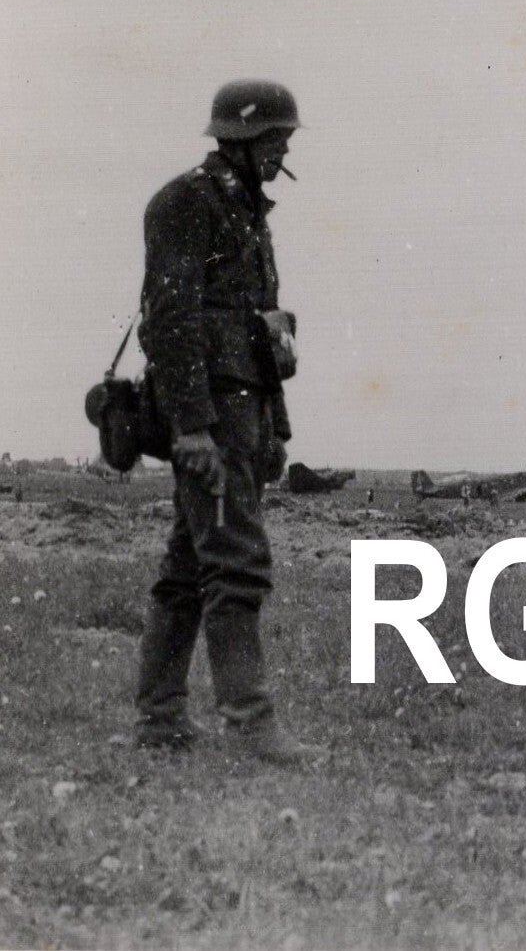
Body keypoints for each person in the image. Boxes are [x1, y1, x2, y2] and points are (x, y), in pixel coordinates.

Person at [133, 80, 316, 764]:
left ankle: (159, 720)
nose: (283, 153)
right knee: (236, 564)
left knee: (188, 569)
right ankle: (251, 725)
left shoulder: (244, 210)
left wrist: (275, 428)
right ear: (239, 140)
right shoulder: (187, 202)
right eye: (275, 140)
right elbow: (170, 321)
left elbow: (259, 331)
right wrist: (192, 428)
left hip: (241, 416)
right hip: (211, 418)